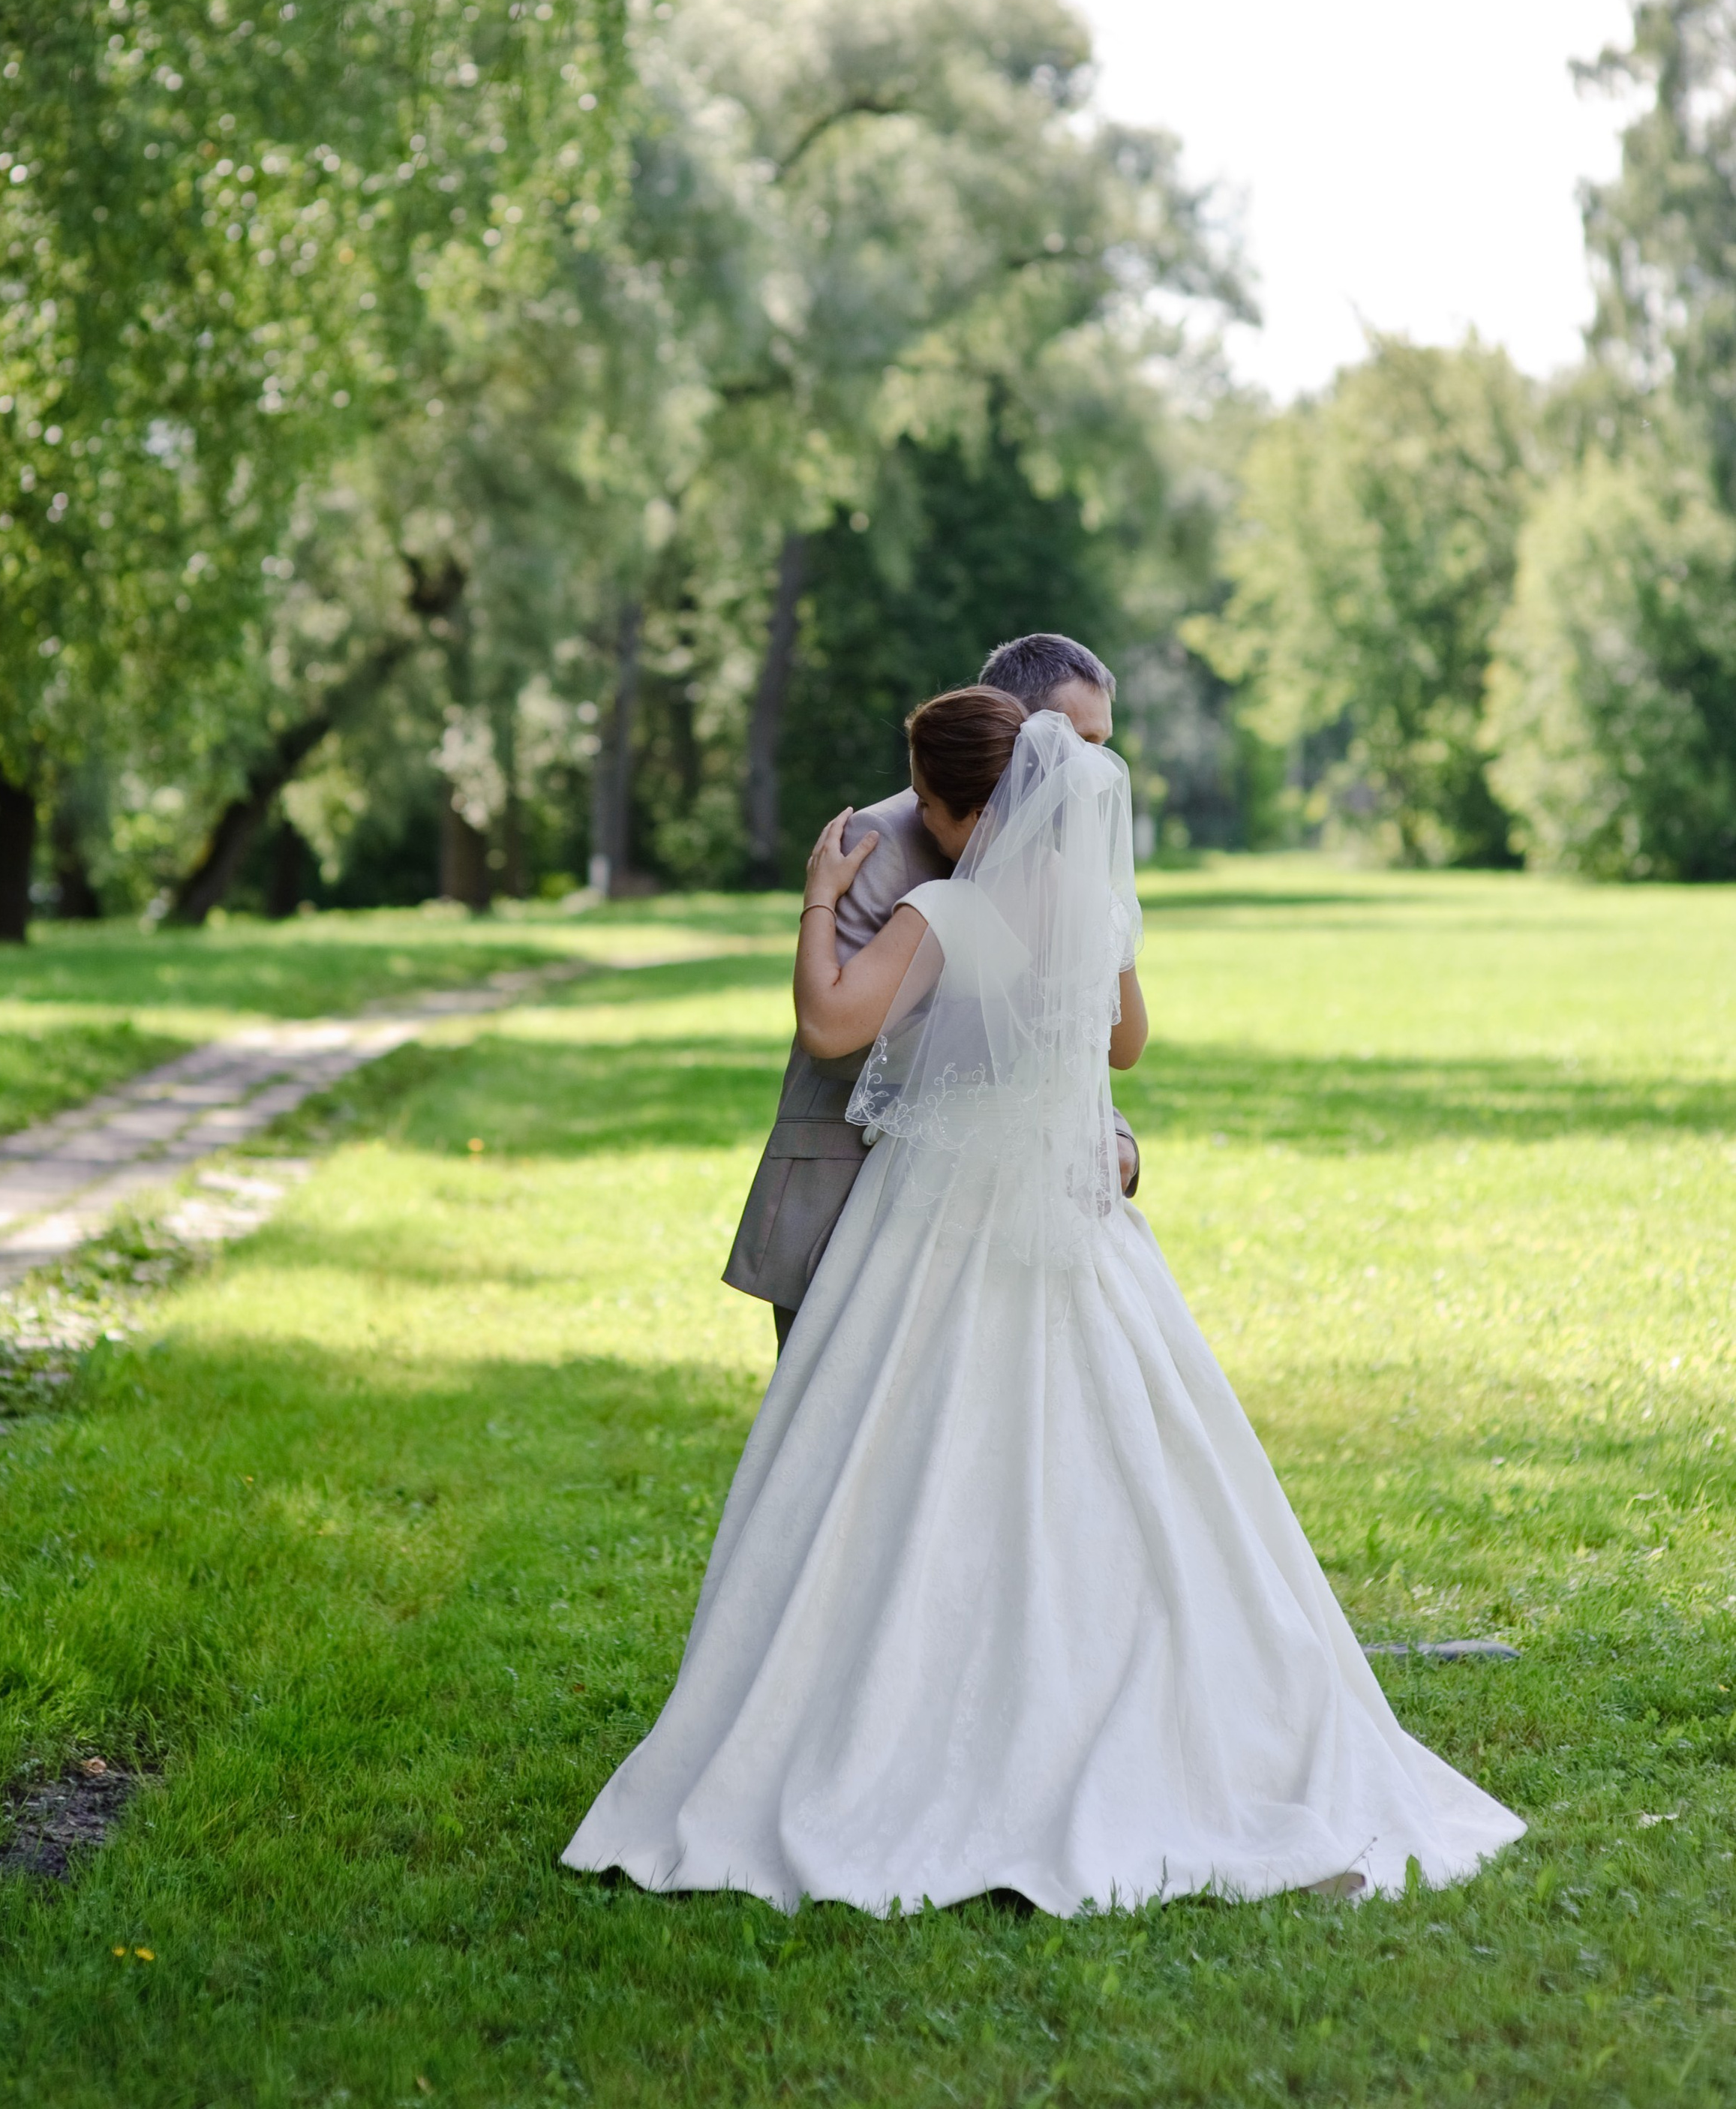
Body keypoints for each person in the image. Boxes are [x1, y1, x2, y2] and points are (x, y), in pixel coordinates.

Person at [564, 689, 1524, 1916]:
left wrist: (819, 892)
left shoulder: (947, 908)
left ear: (963, 808)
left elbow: (829, 1015)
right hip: (1076, 1230)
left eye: (929, 800)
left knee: (910, 1471)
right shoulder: (1086, 905)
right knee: (1105, 1462)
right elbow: (1122, 1044)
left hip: (935, 1229)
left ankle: (922, 1703)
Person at [722, 632, 1140, 1352]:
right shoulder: (885, 841)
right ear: (1012, 724)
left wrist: (1105, 1137)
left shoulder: (1045, 885)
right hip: (862, 1201)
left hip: (1007, 1213)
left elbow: (1098, 1047)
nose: (1088, 768)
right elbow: (840, 1045)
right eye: (1079, 740)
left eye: (1101, 746)